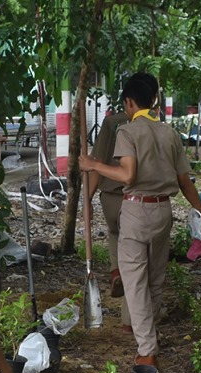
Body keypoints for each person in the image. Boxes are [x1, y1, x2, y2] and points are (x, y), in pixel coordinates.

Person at [80, 72, 201, 370]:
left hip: (136, 210)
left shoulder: (128, 132)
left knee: (135, 281)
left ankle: (147, 349)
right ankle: (148, 334)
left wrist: (94, 165)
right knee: (155, 279)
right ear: (153, 100)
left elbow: (127, 174)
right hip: (163, 212)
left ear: (129, 102)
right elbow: (185, 182)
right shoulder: (169, 133)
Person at [87, 108, 133, 331]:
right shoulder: (150, 125)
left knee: (115, 233)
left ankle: (115, 271)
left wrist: (87, 199)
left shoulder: (111, 123)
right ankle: (129, 320)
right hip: (136, 198)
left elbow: (97, 161)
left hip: (110, 198)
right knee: (137, 258)